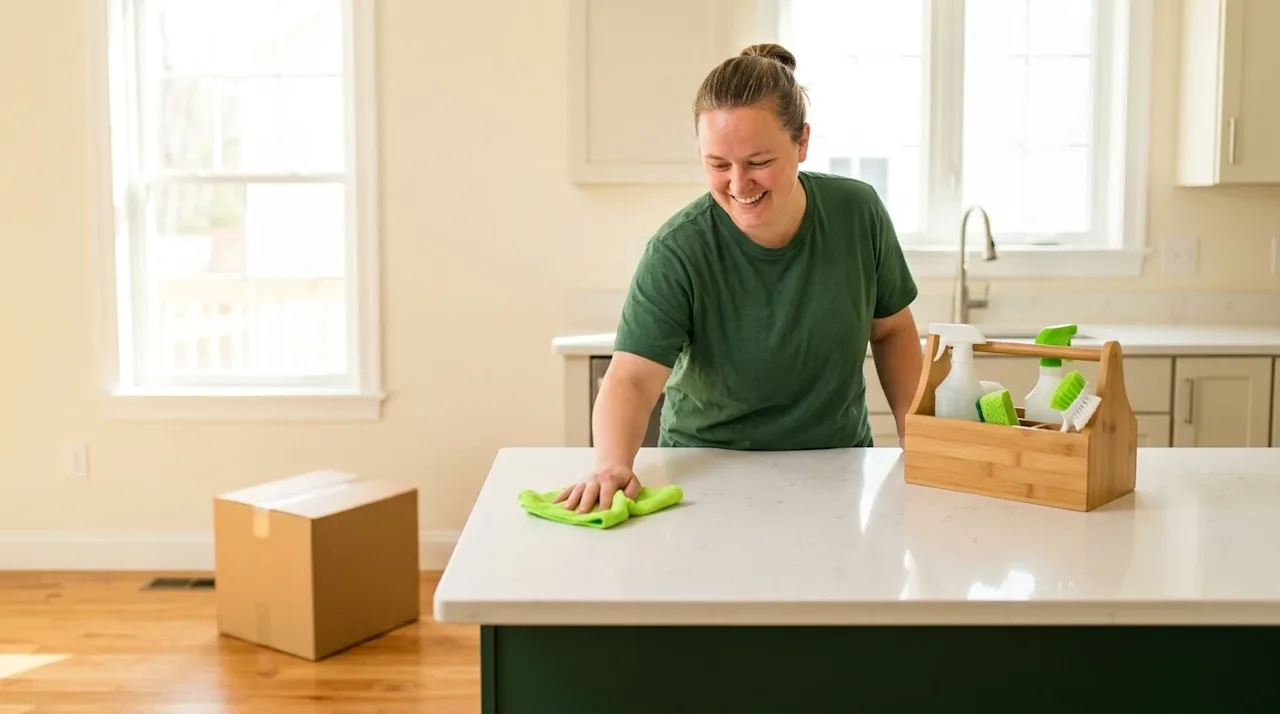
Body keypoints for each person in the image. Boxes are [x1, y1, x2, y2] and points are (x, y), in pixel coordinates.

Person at [556, 43, 924, 514]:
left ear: (802, 142)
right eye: (718, 164)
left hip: (837, 468)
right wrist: (609, 465)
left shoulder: (858, 213)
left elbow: (892, 331)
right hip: (705, 476)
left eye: (758, 162)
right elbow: (631, 378)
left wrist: (921, 442)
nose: (738, 183)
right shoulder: (679, 250)